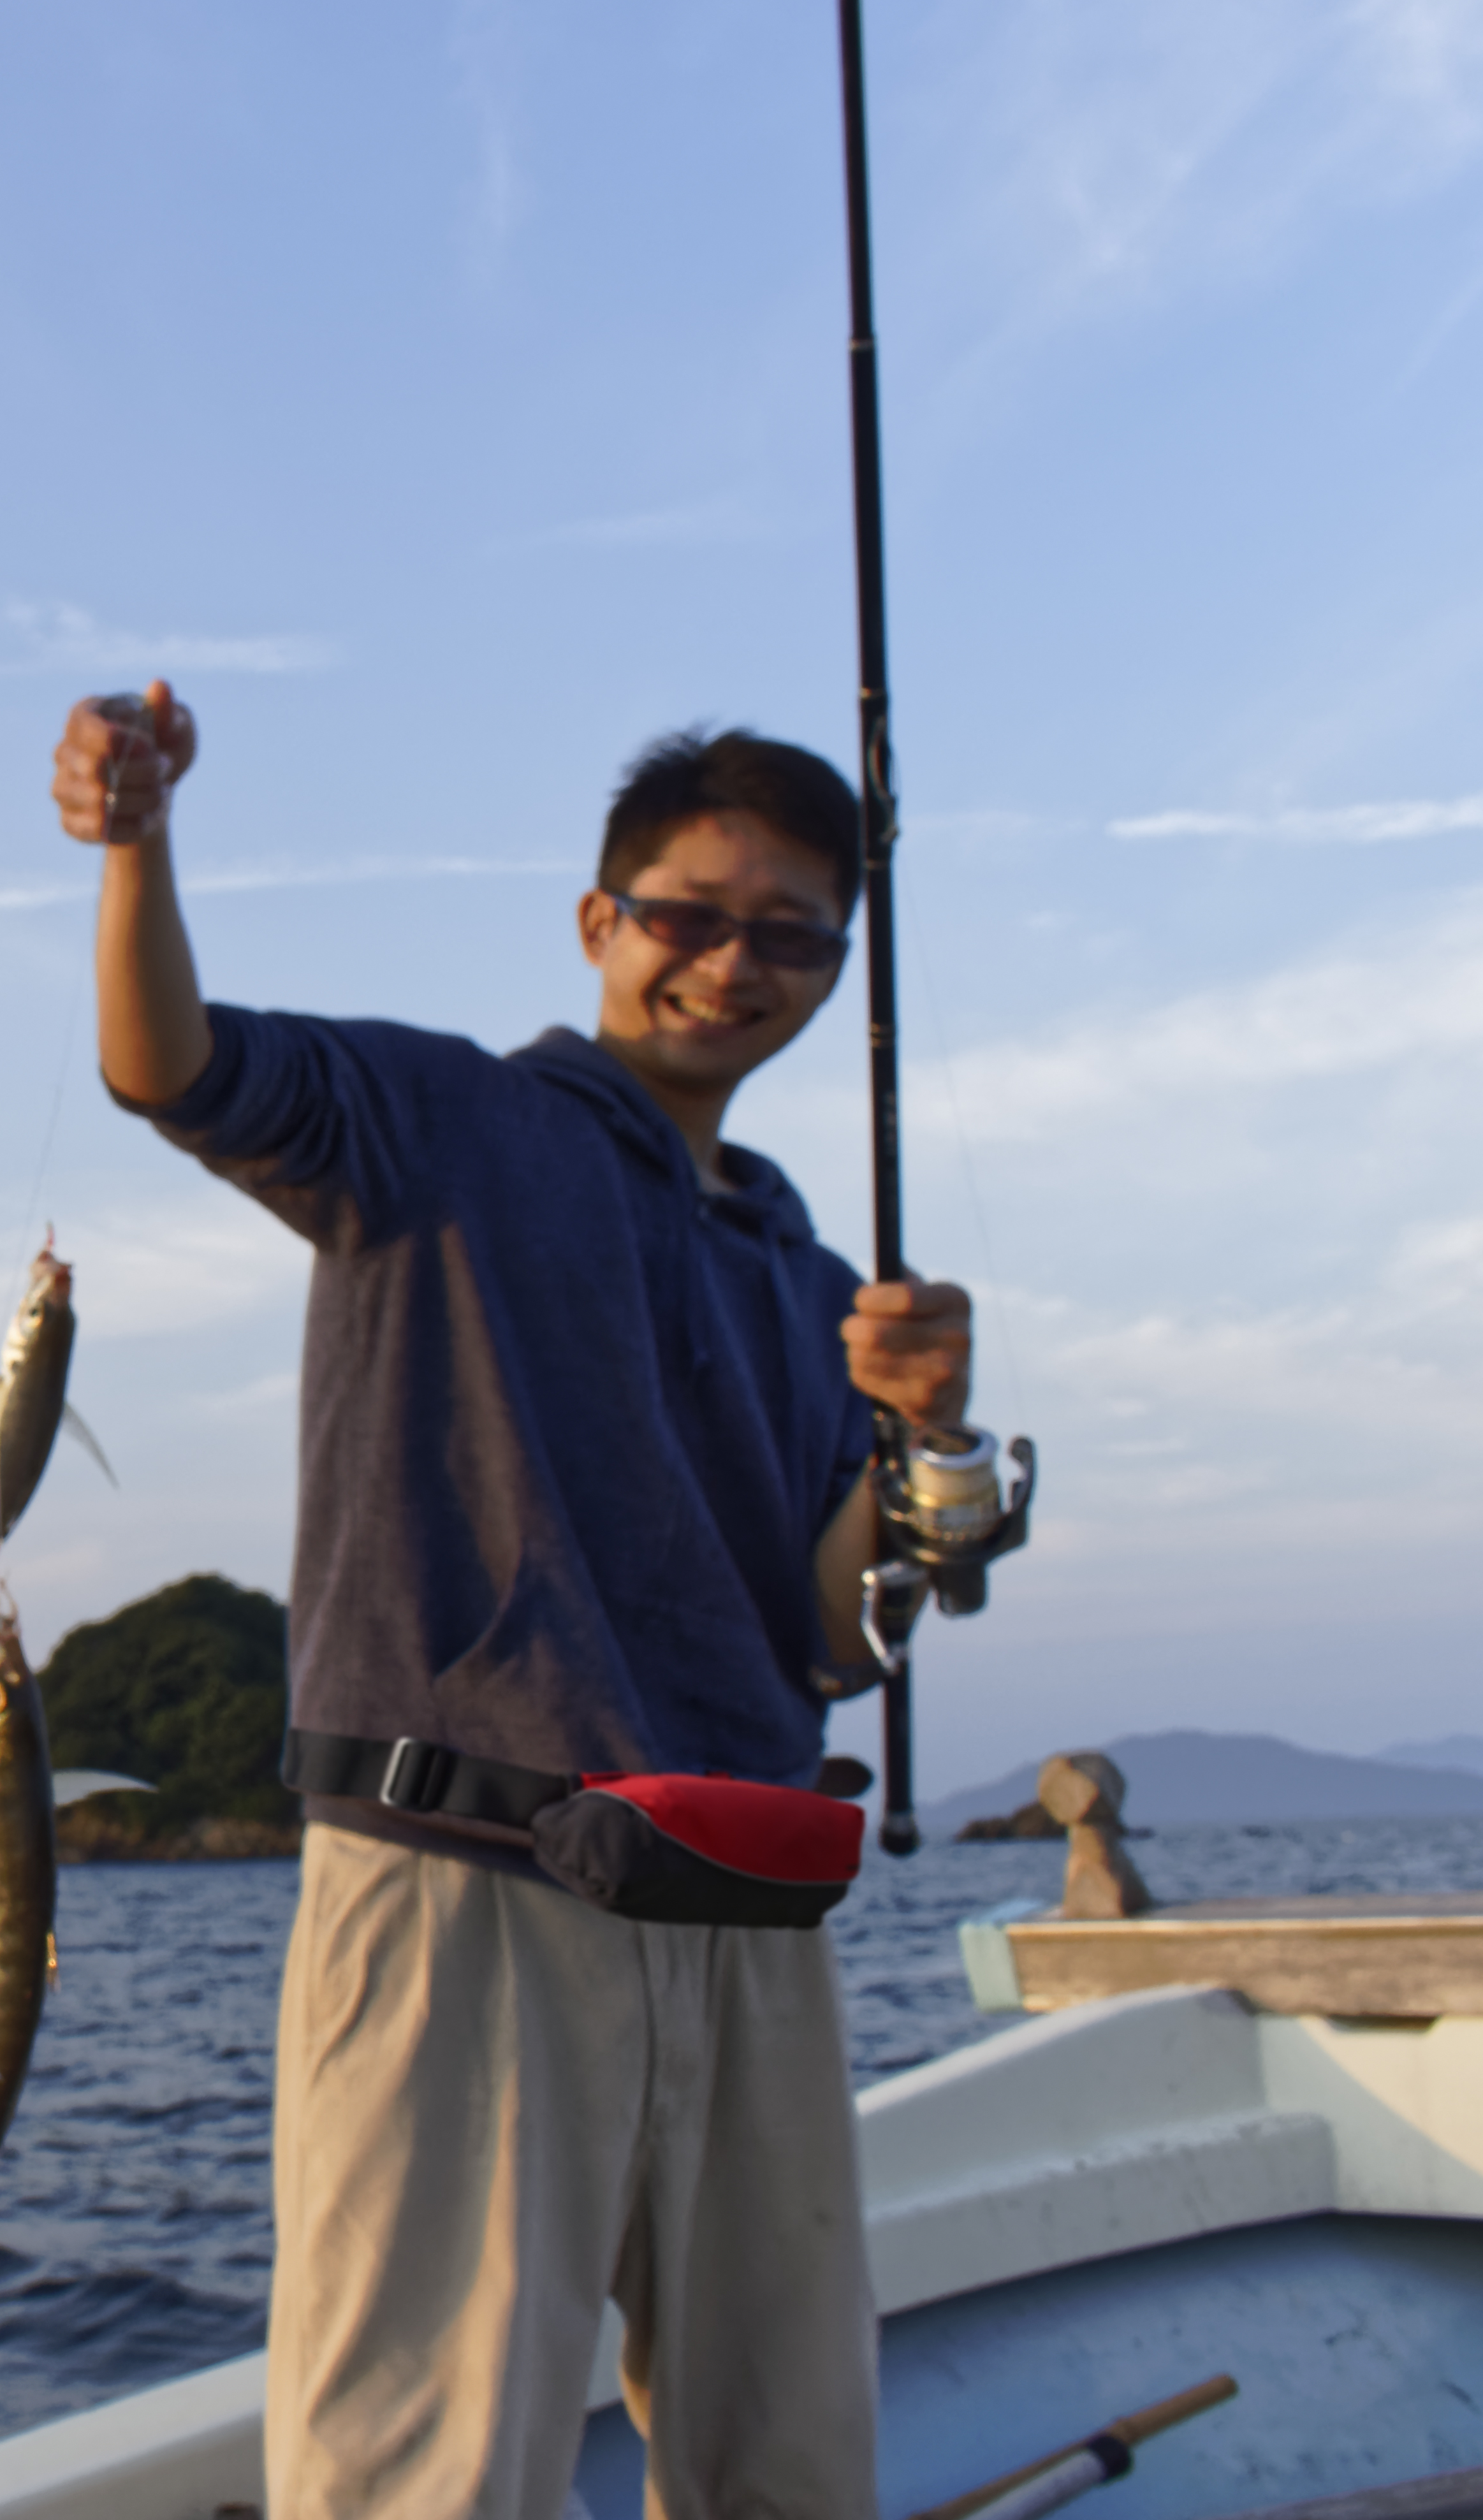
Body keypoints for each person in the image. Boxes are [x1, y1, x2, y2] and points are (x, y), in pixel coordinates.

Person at [54, 683, 975, 2520]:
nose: (733, 967)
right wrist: (139, 842)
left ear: (837, 965)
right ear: (599, 923)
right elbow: (172, 1066)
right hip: (471, 1882)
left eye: (791, 936)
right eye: (689, 917)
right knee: (432, 2474)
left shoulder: (807, 1270)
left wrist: (921, 1441)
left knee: (794, 2458)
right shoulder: (442, 1120)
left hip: (746, 1902)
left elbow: (821, 1630)